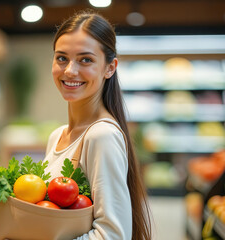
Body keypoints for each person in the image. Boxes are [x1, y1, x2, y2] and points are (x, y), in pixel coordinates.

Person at [44, 10, 153, 240]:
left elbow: (112, 235)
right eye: (62, 58)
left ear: (110, 68)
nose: (70, 70)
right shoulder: (57, 136)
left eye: (86, 60)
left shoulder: (102, 135)